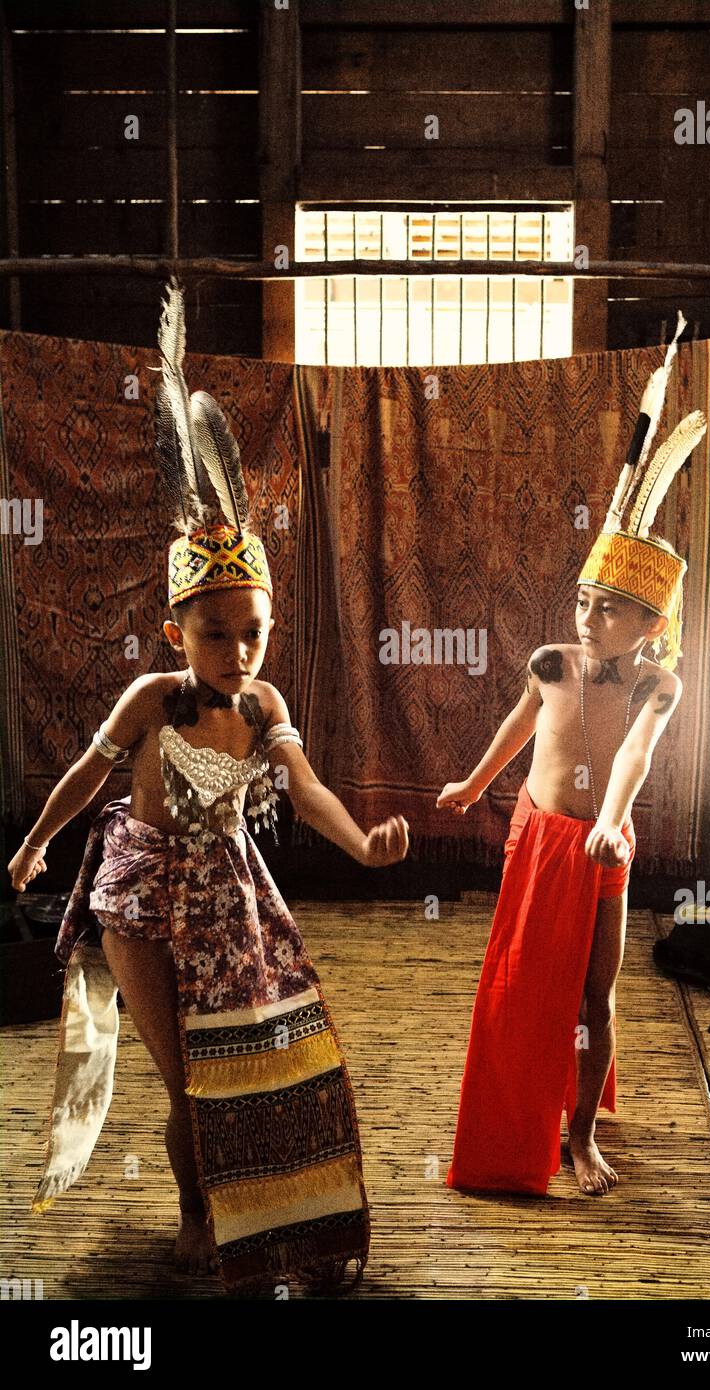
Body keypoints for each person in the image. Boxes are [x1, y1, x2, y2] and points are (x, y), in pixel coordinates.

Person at [11, 280, 408, 1294]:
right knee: (189, 1075)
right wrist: (34, 843)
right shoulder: (153, 696)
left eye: (252, 631)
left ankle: (268, 1205)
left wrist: (360, 845)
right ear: (176, 628)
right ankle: (195, 1211)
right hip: (141, 897)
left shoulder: (265, 703)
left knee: (257, 1061)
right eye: (215, 631)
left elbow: (307, 789)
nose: (236, 649)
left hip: (231, 893)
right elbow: (85, 775)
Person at [438, 312, 706, 1198]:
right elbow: (519, 725)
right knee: (523, 992)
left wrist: (615, 824)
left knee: (595, 1000)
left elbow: (631, 757)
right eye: (585, 600)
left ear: (650, 626)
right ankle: (514, 1126)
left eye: (609, 610)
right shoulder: (552, 663)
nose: (589, 619)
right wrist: (475, 782)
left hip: (601, 851)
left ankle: (581, 1136)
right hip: (540, 838)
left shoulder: (654, 688)